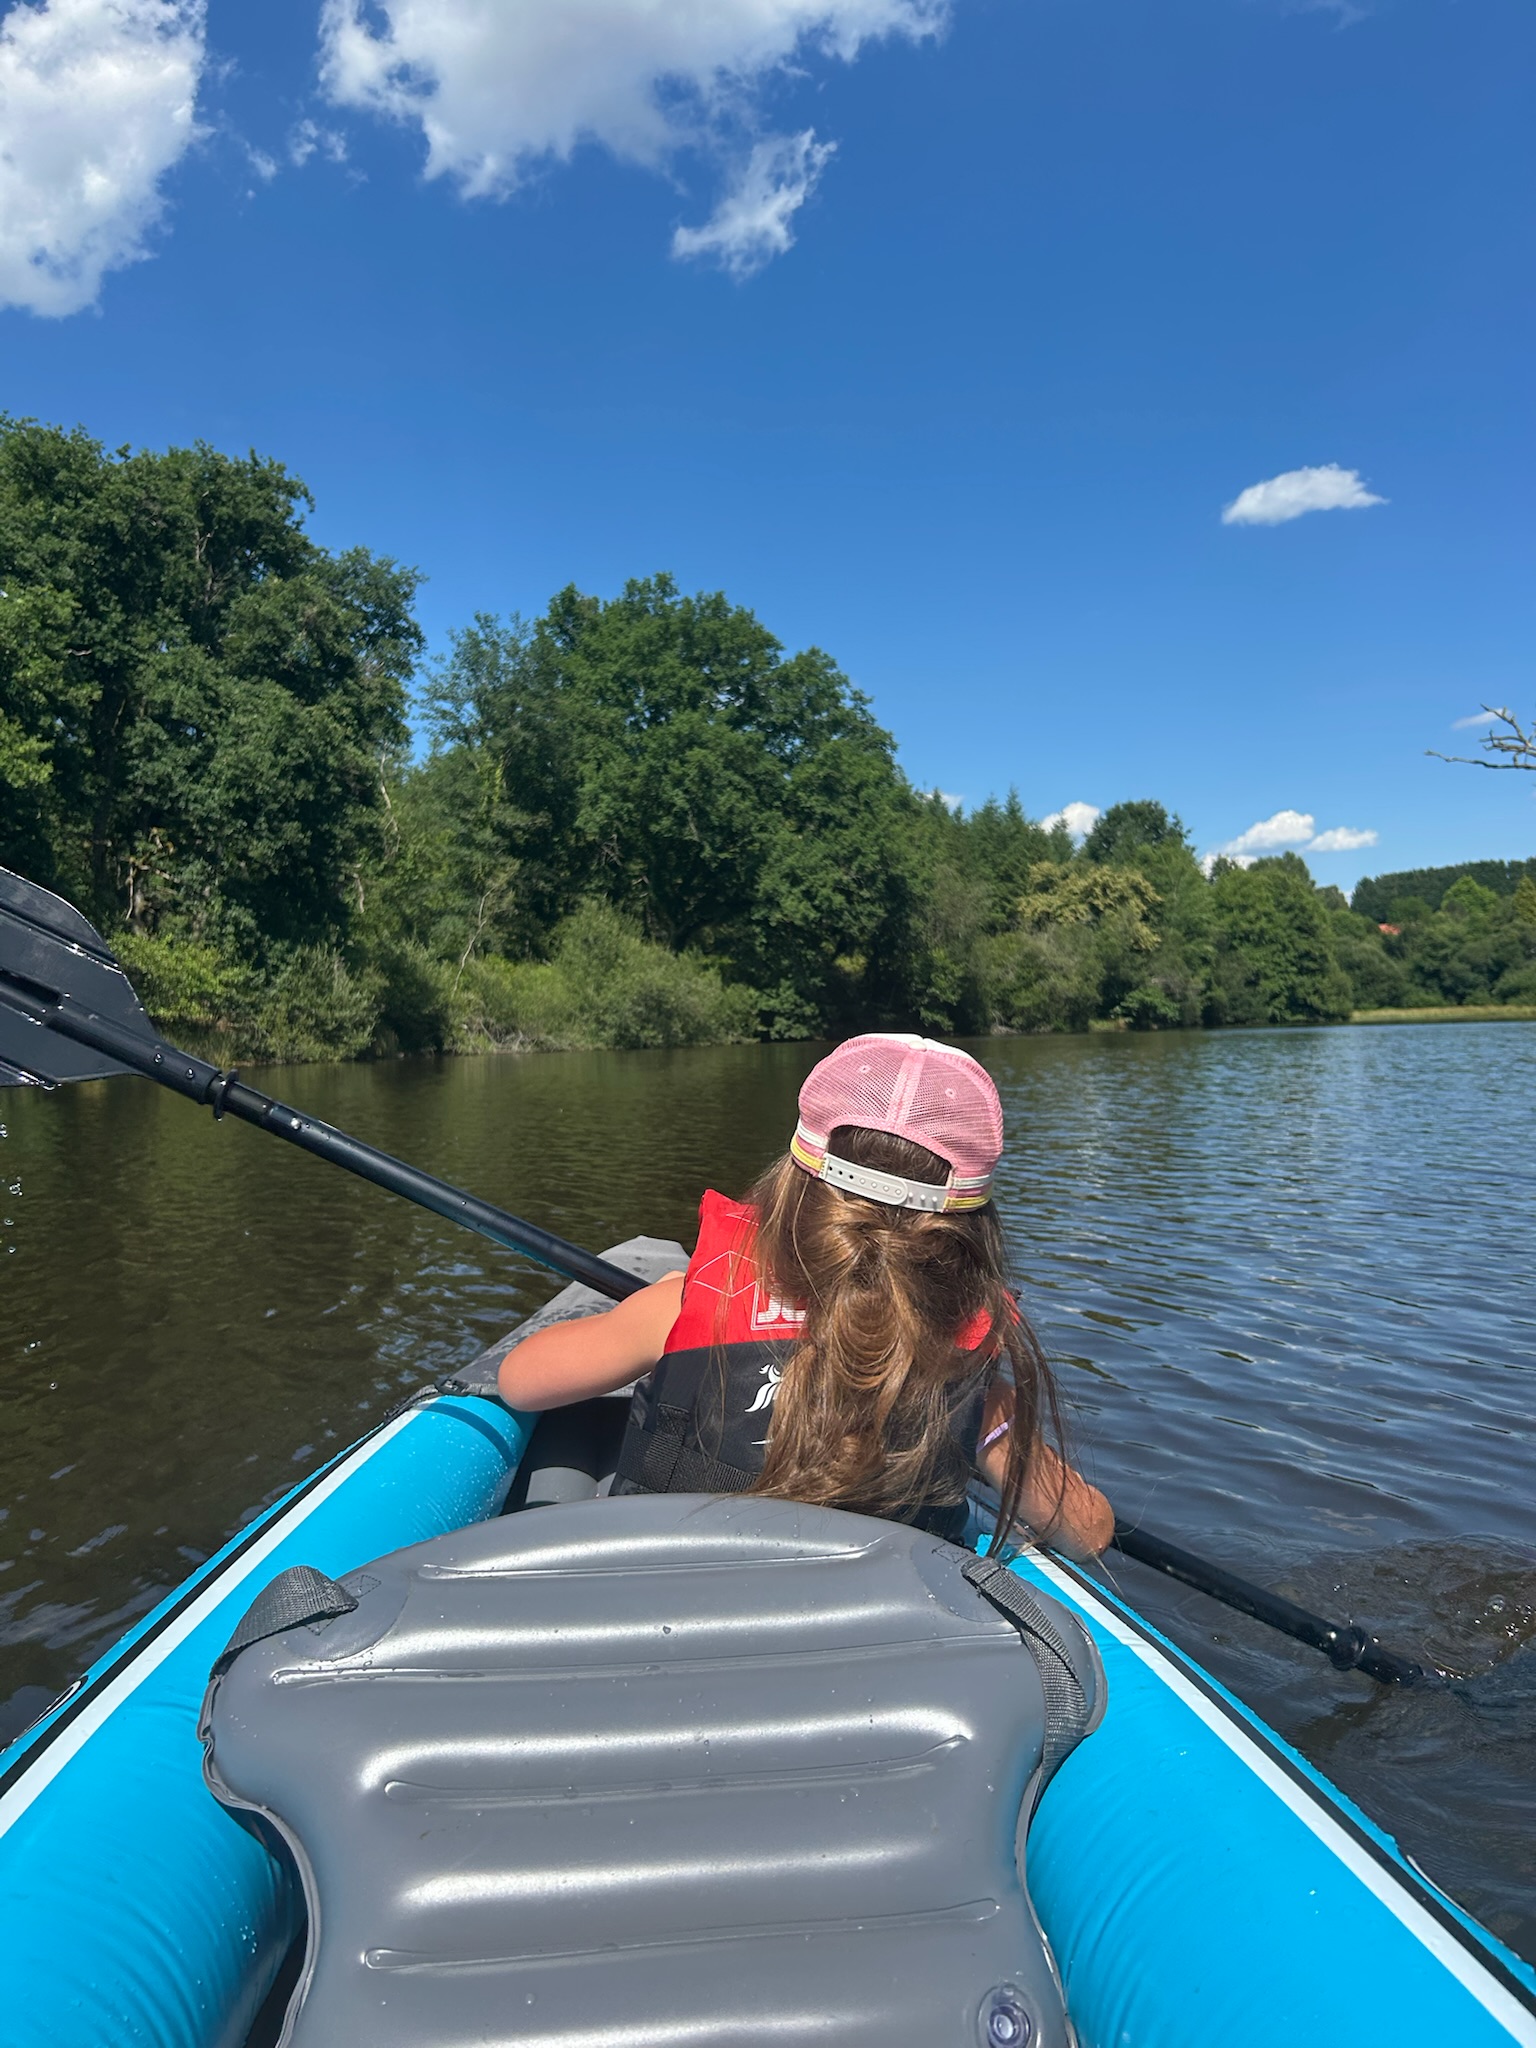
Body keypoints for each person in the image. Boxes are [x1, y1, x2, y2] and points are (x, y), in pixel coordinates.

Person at [499, 1033, 1113, 1560]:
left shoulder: (687, 1304)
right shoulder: (969, 1371)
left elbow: (521, 1381)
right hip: (854, 1653)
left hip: (672, 1598)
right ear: (968, 1231)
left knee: (572, 1432)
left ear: (793, 1185)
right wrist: (992, 1426)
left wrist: (668, 1301)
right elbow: (1090, 1532)